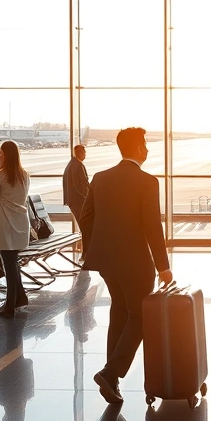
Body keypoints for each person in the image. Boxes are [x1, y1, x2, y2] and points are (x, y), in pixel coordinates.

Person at [82, 127, 171, 405]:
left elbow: (86, 217)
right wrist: (163, 266)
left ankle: (112, 380)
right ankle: (111, 373)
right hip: (135, 262)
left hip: (106, 260)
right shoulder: (147, 181)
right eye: (144, 144)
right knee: (141, 316)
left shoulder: (100, 178)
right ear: (136, 148)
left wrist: (98, 245)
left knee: (120, 311)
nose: (147, 149)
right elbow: (152, 227)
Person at [0, 140, 31, 318]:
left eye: (0, 154)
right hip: (19, 222)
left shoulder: (1, 176)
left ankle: (10, 304)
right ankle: (20, 297)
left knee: (9, 263)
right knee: (14, 262)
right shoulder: (24, 174)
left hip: (3, 222)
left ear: (6, 155)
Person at [62, 144, 89, 230]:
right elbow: (82, 184)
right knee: (85, 224)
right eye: (84, 152)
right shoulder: (78, 165)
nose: (85, 155)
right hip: (78, 201)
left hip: (72, 200)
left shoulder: (71, 164)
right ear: (80, 153)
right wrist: (88, 197)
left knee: (82, 224)